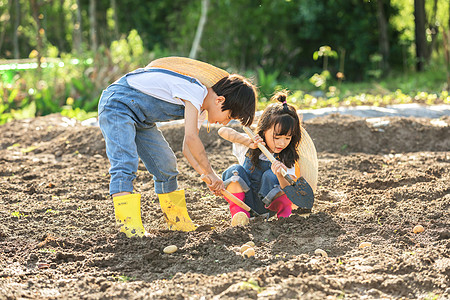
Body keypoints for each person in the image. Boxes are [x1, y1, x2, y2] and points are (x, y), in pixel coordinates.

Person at [98, 56, 257, 237]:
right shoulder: (196, 90)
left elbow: (187, 149)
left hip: (141, 118)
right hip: (118, 105)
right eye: (229, 117)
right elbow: (191, 138)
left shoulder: (201, 108)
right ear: (220, 101)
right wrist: (211, 172)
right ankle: (129, 229)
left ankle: (177, 221)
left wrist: (207, 177)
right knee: (125, 163)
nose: (224, 123)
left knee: (166, 164)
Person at [218, 90, 301, 225]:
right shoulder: (252, 143)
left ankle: (285, 218)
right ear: (264, 130)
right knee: (234, 170)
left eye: (287, 138)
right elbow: (223, 131)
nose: (282, 143)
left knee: (271, 175)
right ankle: (240, 217)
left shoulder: (288, 156)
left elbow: (291, 188)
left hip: (268, 205)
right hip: (245, 201)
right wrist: (246, 142)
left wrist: (280, 175)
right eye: (277, 137)